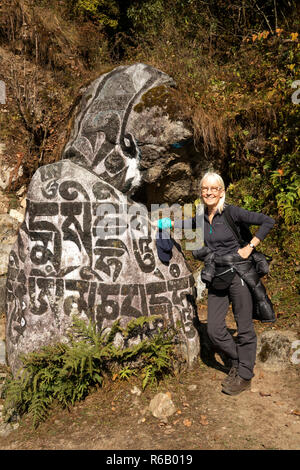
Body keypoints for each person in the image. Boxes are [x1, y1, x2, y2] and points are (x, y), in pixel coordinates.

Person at [157, 171, 275, 395]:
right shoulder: (201, 215)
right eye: (205, 188)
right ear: (201, 192)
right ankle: (240, 362)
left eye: (213, 188)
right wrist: (168, 222)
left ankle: (244, 375)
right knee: (214, 329)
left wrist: (250, 246)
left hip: (239, 274)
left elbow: (267, 221)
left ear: (221, 192)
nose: (209, 192)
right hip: (217, 275)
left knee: (244, 328)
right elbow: (186, 223)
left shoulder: (232, 213)